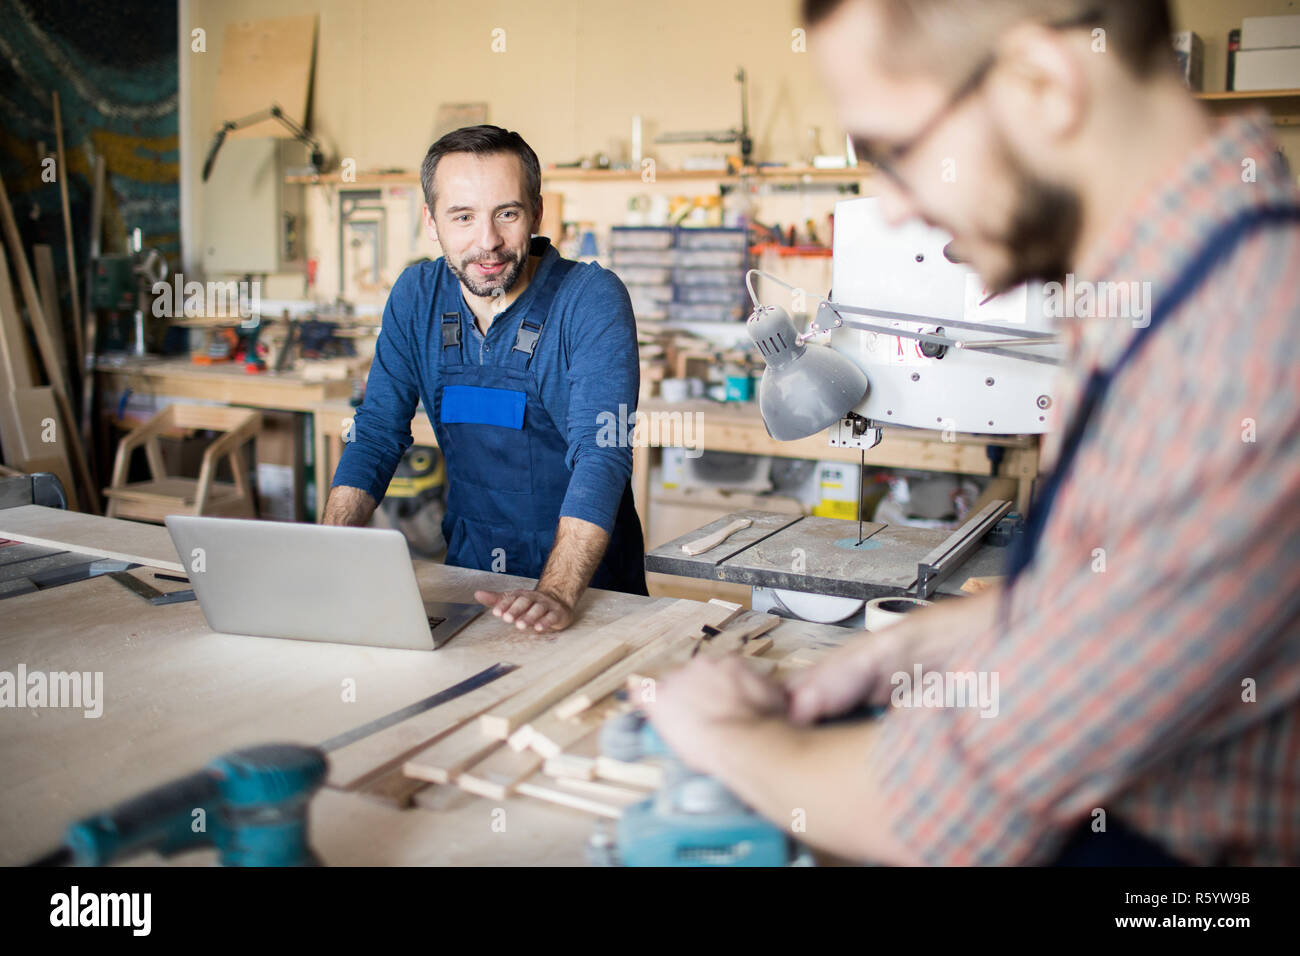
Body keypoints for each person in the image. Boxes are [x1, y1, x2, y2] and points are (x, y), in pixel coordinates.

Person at [645, 0, 1300, 865]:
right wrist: (923, 641)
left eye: (894, 153)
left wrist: (724, 734)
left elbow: (954, 820)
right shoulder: (1174, 292)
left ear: (1043, 82)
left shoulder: (1241, 349)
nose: (892, 205)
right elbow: (1103, 603)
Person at [326, 125, 647, 634]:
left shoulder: (591, 299)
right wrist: (329, 551)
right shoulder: (417, 298)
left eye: (507, 213)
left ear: (537, 213)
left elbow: (601, 452)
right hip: (470, 572)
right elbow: (377, 433)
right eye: (463, 217)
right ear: (432, 222)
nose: (488, 242)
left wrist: (558, 593)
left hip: (586, 589)